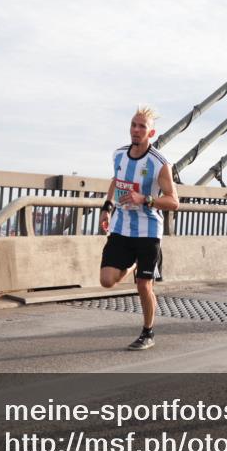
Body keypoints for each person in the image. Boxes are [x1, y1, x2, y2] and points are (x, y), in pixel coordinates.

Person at [99, 106, 179, 350]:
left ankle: (148, 332)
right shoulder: (119, 155)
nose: (136, 129)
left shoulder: (159, 163)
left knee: (144, 286)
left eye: (141, 126)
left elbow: (174, 202)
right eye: (133, 125)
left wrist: (145, 199)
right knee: (106, 280)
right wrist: (107, 206)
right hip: (121, 227)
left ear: (151, 132)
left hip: (148, 231)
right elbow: (116, 180)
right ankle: (131, 263)